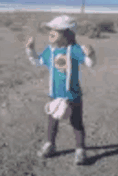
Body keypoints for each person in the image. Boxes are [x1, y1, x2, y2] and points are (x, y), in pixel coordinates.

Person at [25, 15, 96, 165]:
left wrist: (91, 54)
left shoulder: (75, 50)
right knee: (52, 121)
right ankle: (50, 145)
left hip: (73, 95)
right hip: (54, 95)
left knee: (76, 122)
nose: (51, 32)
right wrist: (30, 50)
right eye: (50, 29)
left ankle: (80, 150)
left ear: (68, 34)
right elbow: (38, 62)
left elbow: (90, 63)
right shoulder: (49, 51)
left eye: (56, 30)